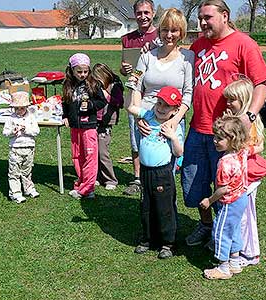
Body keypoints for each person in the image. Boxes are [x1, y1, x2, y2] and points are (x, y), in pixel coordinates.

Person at [182, 0, 266, 248]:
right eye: (200, 17)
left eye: (207, 17)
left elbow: (262, 83)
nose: (202, 22)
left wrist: (249, 116)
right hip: (197, 130)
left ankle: (223, 234)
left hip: (226, 137)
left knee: (226, 188)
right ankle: (206, 225)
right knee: (193, 186)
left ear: (224, 15)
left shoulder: (244, 44)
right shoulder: (198, 45)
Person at [131, 7, 194, 172]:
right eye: (165, 30)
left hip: (171, 120)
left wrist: (175, 120)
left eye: (174, 30)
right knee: (147, 168)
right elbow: (136, 88)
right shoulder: (146, 56)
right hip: (145, 120)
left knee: (167, 171)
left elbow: (188, 93)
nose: (169, 35)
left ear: (181, 32)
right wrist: (139, 118)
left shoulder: (188, 58)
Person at [200, 116, 262, 280]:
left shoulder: (224, 163)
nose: (214, 141)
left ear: (232, 139)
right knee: (234, 230)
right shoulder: (242, 152)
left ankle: (223, 267)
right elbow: (256, 147)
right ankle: (235, 262)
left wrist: (209, 200)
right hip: (241, 198)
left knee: (221, 233)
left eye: (219, 138)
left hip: (228, 202)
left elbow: (223, 189)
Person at [126, 86, 183, 259]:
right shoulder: (149, 116)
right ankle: (147, 238)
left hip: (162, 174)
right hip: (145, 171)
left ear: (175, 110)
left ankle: (168, 242)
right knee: (146, 206)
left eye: (167, 106)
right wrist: (134, 86)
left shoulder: (173, 126)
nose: (160, 108)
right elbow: (130, 107)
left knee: (164, 208)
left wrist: (172, 137)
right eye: (159, 103)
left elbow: (179, 152)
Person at [223, 78, 266, 266]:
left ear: (243, 100)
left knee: (243, 215)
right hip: (242, 173)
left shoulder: (247, 123)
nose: (227, 103)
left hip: (246, 175)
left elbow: (256, 145)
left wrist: (229, 126)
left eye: (231, 100)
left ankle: (246, 252)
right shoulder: (240, 119)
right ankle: (236, 248)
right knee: (241, 214)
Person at [121, 0, 159, 196]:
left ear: (153, 13)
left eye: (146, 12)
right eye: (139, 13)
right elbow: (124, 66)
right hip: (135, 95)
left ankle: (158, 173)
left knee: (157, 134)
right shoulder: (127, 39)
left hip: (156, 96)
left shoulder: (162, 35)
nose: (142, 16)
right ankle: (138, 178)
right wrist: (124, 69)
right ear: (134, 14)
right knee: (136, 138)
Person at [62, 53, 107, 200]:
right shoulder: (68, 84)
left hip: (89, 126)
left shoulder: (93, 84)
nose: (82, 74)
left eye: (85, 71)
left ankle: (87, 189)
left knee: (90, 157)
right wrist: (65, 116)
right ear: (72, 70)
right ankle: (81, 183)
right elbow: (65, 103)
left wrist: (90, 106)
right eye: (79, 71)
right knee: (77, 156)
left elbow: (102, 101)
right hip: (75, 126)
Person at [91, 63, 124, 190]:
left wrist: (107, 96)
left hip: (106, 124)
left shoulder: (114, 86)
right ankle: (98, 177)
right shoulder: (97, 87)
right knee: (95, 152)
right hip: (95, 121)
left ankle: (111, 179)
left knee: (103, 152)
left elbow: (120, 103)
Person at [2, 92, 40, 204]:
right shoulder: (10, 118)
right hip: (15, 148)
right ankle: (15, 193)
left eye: (22, 108)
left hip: (29, 147)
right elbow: (5, 132)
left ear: (27, 107)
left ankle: (29, 189)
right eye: (16, 108)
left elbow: (36, 131)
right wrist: (12, 132)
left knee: (27, 170)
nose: (19, 111)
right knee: (14, 171)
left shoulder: (31, 117)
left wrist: (26, 130)